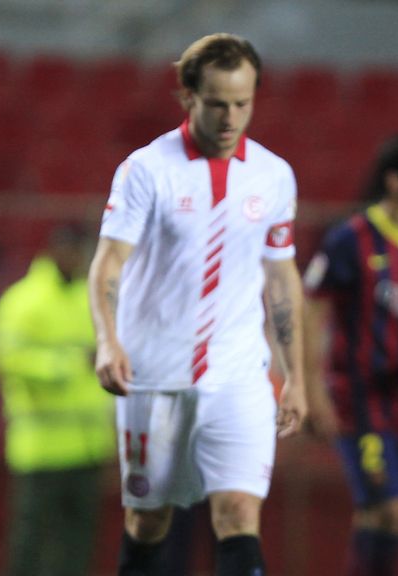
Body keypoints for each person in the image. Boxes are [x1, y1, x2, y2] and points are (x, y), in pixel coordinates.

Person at [87, 33, 307, 576]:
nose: (231, 117)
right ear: (188, 96)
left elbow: (281, 278)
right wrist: (107, 341)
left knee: (237, 513)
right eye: (217, 104)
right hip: (155, 372)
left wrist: (295, 374)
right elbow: (108, 264)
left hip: (238, 373)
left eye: (242, 103)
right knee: (149, 521)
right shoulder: (146, 170)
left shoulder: (274, 176)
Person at [302, 133, 398, 576]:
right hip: (358, 398)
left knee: (389, 514)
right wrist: (312, 392)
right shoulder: (351, 239)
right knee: (388, 507)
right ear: (395, 181)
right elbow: (310, 313)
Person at [0, 225, 115, 576]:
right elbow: (5, 358)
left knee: (77, 545)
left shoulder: (90, 298)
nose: (77, 259)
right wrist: (65, 365)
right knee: (30, 543)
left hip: (88, 447)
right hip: (40, 448)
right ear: (56, 250)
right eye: (73, 250)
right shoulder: (23, 299)